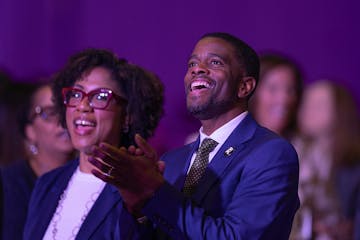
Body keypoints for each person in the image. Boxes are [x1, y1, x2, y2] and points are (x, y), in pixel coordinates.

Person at [89, 32, 300, 239]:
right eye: (192, 64)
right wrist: (137, 205)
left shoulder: (270, 153)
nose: (197, 69)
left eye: (215, 63)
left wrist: (156, 190)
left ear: (244, 87)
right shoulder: (172, 161)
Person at [23, 49, 164, 239]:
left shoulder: (134, 188)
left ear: (127, 116)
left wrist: (140, 208)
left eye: (100, 97)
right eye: (76, 94)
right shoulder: (47, 184)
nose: (82, 106)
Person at [1, 82, 75, 240]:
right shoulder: (8, 184)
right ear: (30, 131)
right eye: (50, 112)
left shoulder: (88, 180)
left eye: (67, 110)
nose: (63, 121)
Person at [291, 80, 360, 240]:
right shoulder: (291, 151)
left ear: (340, 112)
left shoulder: (353, 167)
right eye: (305, 103)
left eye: (319, 104)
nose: (307, 109)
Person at [250, 53, 303, 139]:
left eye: (290, 90)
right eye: (273, 89)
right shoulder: (232, 146)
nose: (284, 99)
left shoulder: (306, 149)